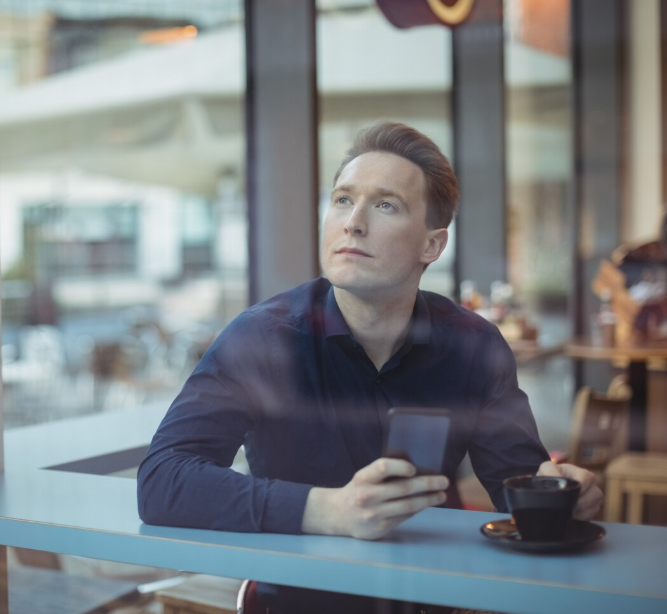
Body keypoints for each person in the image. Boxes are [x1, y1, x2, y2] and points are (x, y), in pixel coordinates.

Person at [137, 122, 603, 614]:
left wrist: (563, 496)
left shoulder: (472, 345)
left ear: (432, 245)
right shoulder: (261, 338)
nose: (352, 222)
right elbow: (163, 480)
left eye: (385, 205)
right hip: (301, 605)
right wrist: (329, 510)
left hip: (433, 600)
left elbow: (519, 485)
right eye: (342, 200)